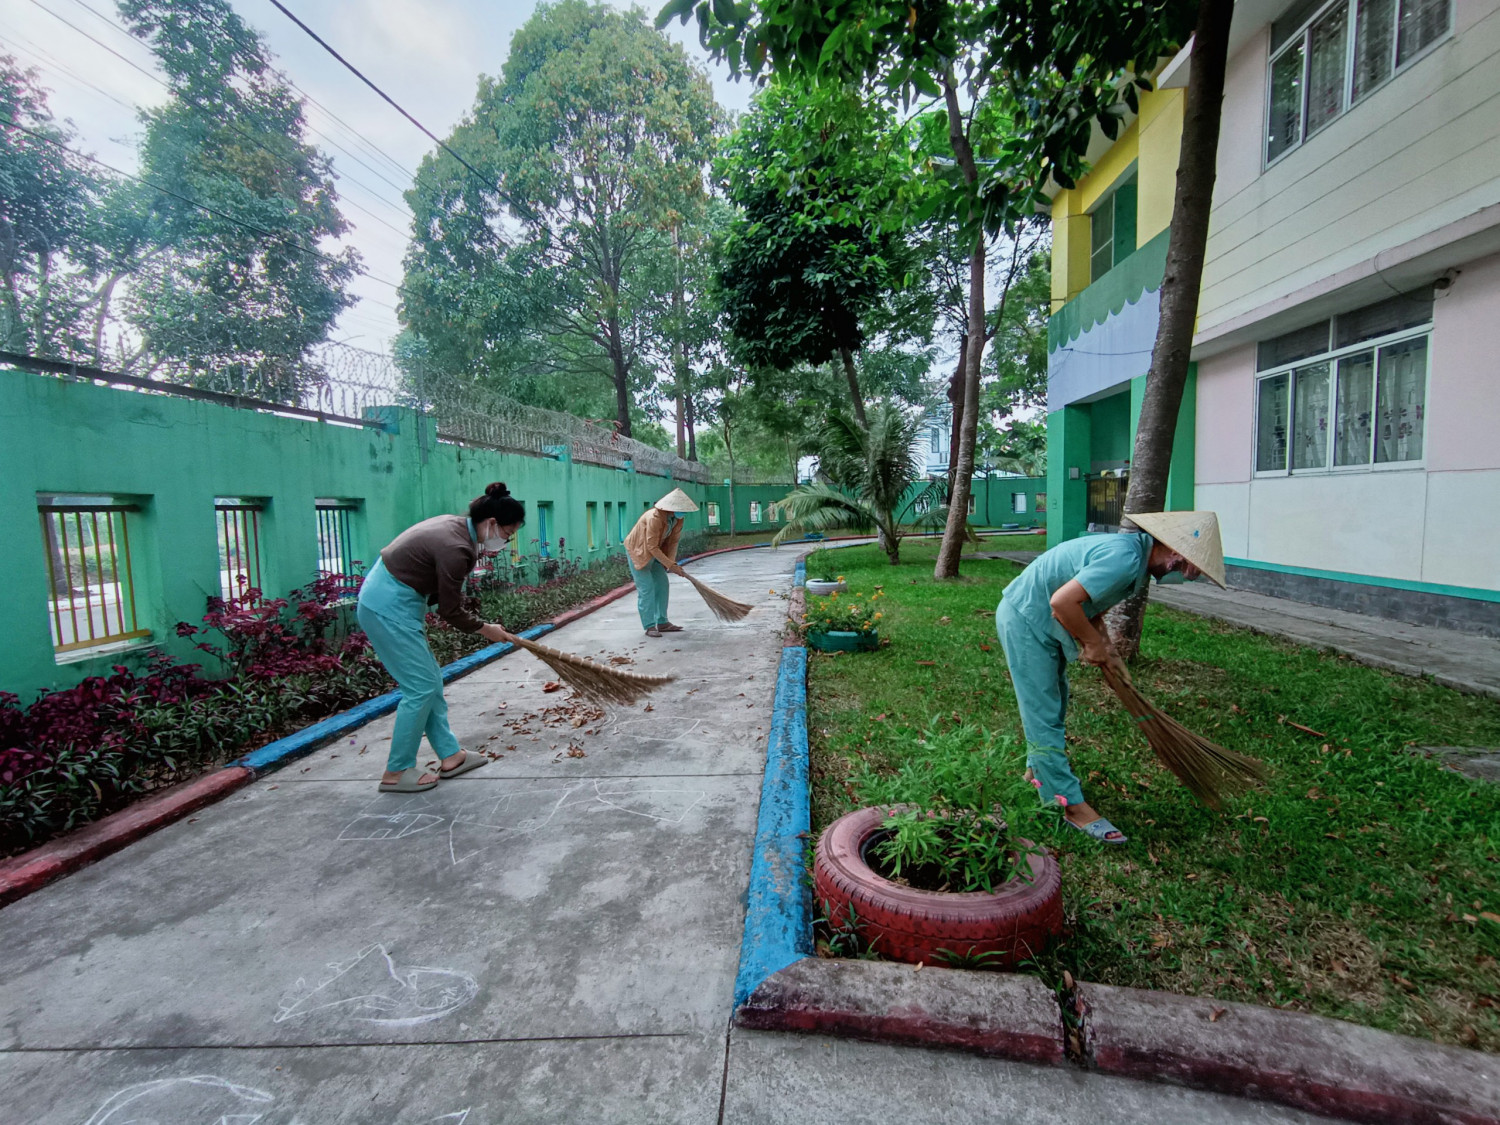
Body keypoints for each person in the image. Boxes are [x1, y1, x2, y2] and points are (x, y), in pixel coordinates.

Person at [994, 510, 1227, 844]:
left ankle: (1038, 776)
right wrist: (1090, 644)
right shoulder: (1126, 560)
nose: (1191, 577)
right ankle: (1070, 806)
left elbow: (1090, 606)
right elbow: (1062, 602)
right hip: (1026, 618)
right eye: (1194, 569)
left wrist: (1107, 649)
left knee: (1053, 706)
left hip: (1037, 618)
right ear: (1177, 553)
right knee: (1042, 714)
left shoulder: (1134, 561)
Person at [357, 482, 525, 793]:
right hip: (386, 607)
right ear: (491, 523)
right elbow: (450, 610)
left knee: (429, 681)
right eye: (507, 534)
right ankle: (397, 770)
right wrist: (489, 630)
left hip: (393, 602)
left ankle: (451, 756)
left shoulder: (457, 528)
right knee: (421, 688)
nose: (506, 542)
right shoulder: (456, 547)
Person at [624, 488, 698, 638]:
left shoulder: (677, 519)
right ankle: (649, 625)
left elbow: (673, 542)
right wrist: (671, 565)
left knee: (663, 584)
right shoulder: (654, 517)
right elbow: (651, 546)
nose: (683, 512)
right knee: (647, 589)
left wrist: (671, 563)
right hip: (638, 551)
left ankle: (662, 622)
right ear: (672, 508)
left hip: (657, 552)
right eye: (681, 509)